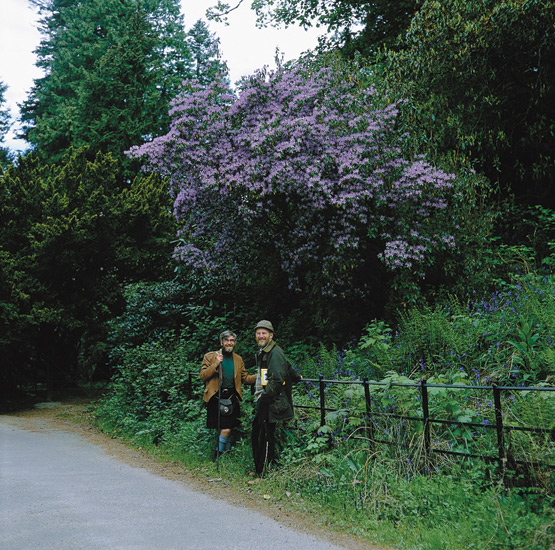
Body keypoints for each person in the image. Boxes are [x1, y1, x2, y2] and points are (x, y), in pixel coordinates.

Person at [251, 320, 302, 475]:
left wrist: (264, 398)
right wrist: (296, 377)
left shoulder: (274, 352)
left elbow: (277, 379)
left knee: (265, 436)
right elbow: (286, 366)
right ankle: (261, 468)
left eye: (264, 333)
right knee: (258, 433)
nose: (261, 336)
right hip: (266, 399)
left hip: (270, 401)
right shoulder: (267, 351)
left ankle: (263, 473)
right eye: (258, 333)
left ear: (271, 336)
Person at [199, 330, 256, 457]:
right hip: (216, 396)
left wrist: (260, 377)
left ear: (235, 343)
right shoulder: (210, 356)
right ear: (221, 342)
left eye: (232, 341)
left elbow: (245, 378)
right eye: (226, 340)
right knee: (224, 428)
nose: (229, 343)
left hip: (231, 397)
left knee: (228, 427)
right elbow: (203, 376)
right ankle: (219, 455)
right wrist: (216, 363)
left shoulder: (238, 359)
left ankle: (224, 453)